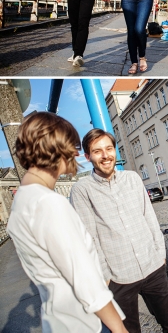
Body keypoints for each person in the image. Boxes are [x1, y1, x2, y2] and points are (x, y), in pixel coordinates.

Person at [6, 112, 128, 333]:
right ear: (55, 148)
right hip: (86, 322)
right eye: (71, 145)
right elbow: (85, 280)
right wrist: (119, 328)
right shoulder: (49, 204)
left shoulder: (21, 201)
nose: (76, 152)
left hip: (59, 321)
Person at [70, 129, 168, 333]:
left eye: (109, 149)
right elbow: (89, 238)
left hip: (153, 267)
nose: (105, 155)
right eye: (97, 151)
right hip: (118, 277)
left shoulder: (132, 179)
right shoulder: (81, 190)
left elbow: (149, 217)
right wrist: (105, 276)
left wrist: (159, 254)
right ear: (88, 156)